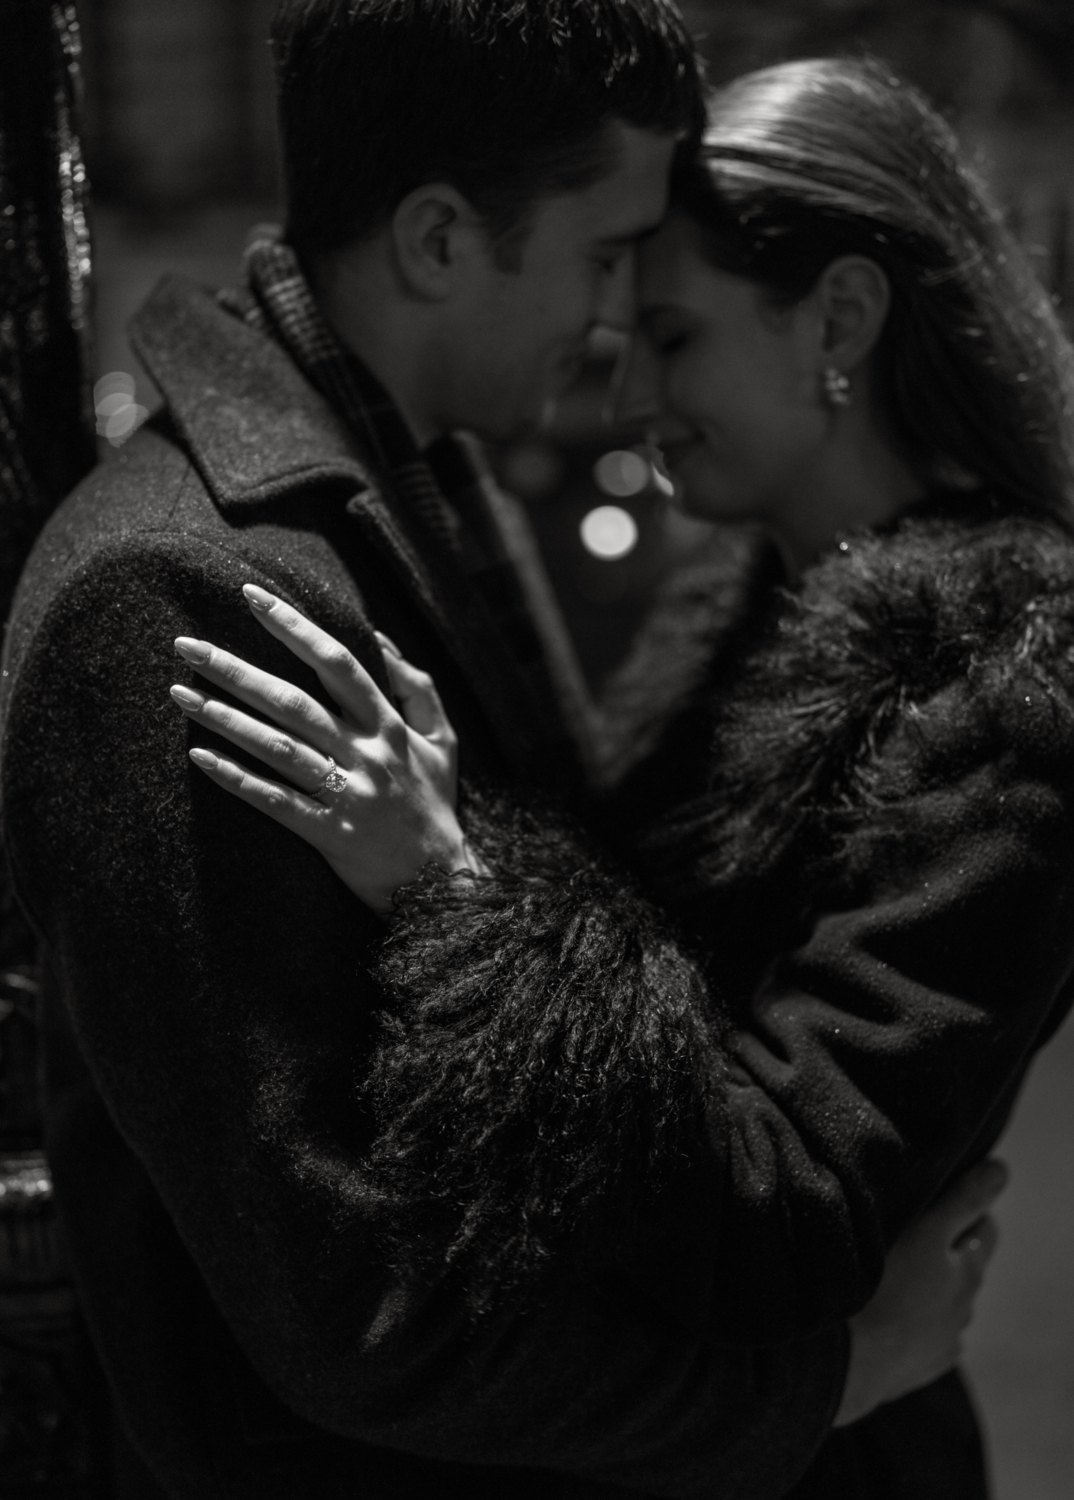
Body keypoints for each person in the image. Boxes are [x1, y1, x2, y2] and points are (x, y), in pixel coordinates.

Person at [0, 8, 986, 1498]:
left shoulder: (369, 486)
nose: (611, 321)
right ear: (442, 239)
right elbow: (369, 1321)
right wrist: (825, 1383)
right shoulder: (185, 593)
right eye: (603, 259)